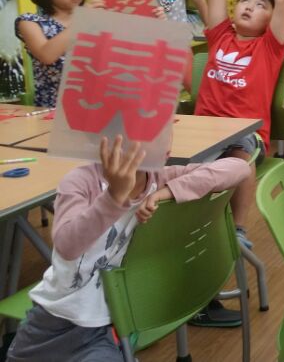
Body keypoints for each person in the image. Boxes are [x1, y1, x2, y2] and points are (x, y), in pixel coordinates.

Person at [5, 136, 248, 362]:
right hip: (53, 318)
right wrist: (113, 197)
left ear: (166, 151)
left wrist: (167, 192)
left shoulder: (160, 179)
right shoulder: (82, 181)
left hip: (109, 321)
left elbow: (238, 167)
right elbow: (67, 246)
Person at [193, 0, 284, 248]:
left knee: (240, 162)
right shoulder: (220, 35)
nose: (250, 6)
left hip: (245, 133)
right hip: (203, 129)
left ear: (270, 20)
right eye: (245, 1)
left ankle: (237, 229)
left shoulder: (269, 48)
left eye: (261, 6)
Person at [16, 0, 99, 107]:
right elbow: (47, 55)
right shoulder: (30, 22)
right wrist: (82, 20)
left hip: (96, 107)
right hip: (54, 112)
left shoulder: (92, 17)